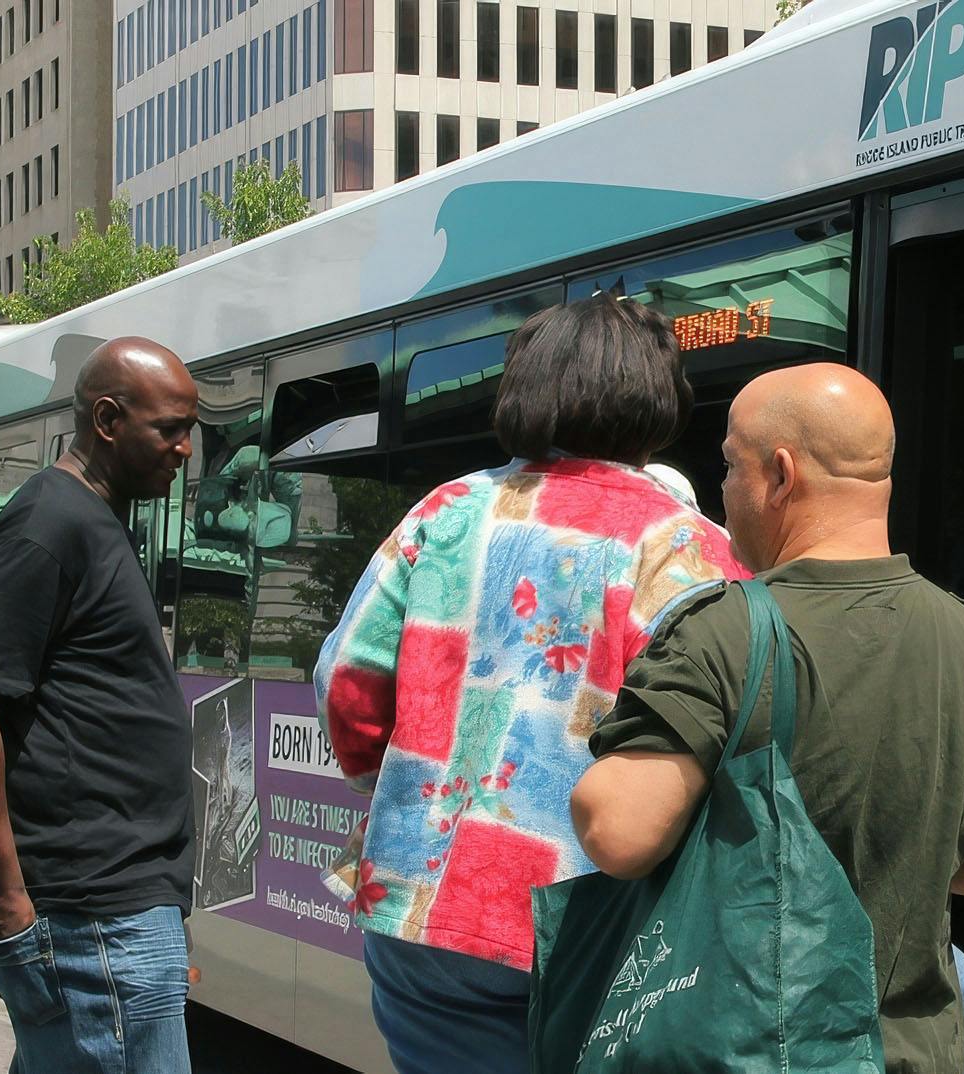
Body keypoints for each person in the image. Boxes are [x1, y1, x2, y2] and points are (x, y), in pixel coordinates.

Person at [572, 363, 964, 1074]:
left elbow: (617, 833)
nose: (725, 488)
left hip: (750, 1049)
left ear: (781, 474)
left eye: (731, 464)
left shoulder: (721, 632)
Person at [312, 298, 745, 1073]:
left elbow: (348, 685)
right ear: (659, 402)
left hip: (422, 905)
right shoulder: (690, 548)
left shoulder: (443, 513)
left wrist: (411, 778)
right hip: (597, 926)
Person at [0, 337, 202, 1073]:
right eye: (170, 428)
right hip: (92, 914)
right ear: (107, 419)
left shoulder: (93, 519)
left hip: (116, 910)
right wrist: (8, 895)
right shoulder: (47, 523)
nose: (184, 450)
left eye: (190, 430)